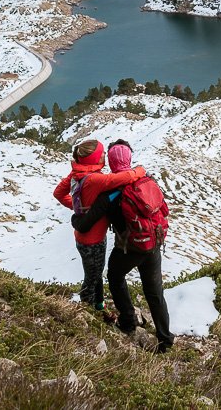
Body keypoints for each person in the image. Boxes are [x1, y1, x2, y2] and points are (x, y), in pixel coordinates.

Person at [72, 139, 173, 351]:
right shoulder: (146, 179)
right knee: (155, 292)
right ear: (129, 158)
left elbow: (85, 224)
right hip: (154, 244)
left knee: (115, 276)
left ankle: (127, 321)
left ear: (110, 162)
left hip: (129, 248)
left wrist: (75, 220)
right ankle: (165, 340)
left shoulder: (111, 192)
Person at [53, 139, 146, 318]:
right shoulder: (96, 179)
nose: (104, 156)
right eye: (102, 154)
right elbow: (124, 177)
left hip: (83, 236)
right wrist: (141, 170)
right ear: (95, 159)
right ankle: (86, 310)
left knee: (94, 272)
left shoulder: (76, 173)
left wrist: (79, 207)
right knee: (93, 276)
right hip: (93, 240)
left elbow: (58, 193)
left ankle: (98, 304)